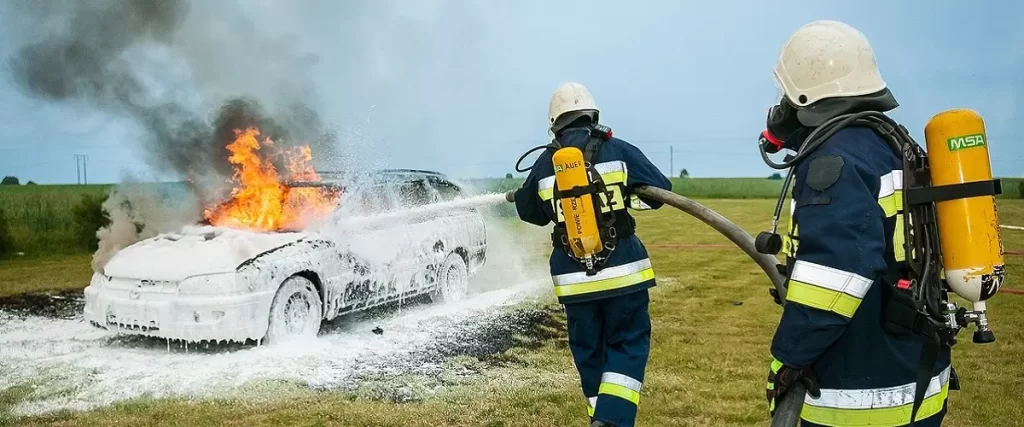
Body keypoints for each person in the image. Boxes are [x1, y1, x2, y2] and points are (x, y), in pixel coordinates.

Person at [760, 21, 955, 426]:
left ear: (804, 93)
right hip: (917, 375)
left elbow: (834, 276)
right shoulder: (891, 144)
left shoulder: (833, 162)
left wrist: (788, 357)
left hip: (860, 394)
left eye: (785, 95)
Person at [506, 82, 672, 427]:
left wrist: (528, 195)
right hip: (624, 274)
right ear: (592, 115)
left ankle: (599, 417)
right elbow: (660, 191)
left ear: (554, 123)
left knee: (589, 352)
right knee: (628, 343)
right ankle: (611, 420)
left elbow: (531, 213)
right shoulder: (617, 149)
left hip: (574, 281)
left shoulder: (546, 162)